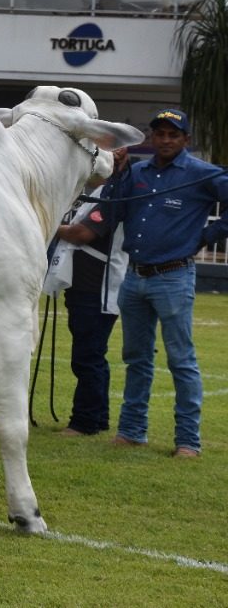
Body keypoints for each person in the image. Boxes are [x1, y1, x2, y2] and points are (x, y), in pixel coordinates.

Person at [84, 109, 228, 457]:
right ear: (151, 138)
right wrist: (117, 173)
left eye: (173, 135)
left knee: (181, 359)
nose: (165, 140)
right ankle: (132, 431)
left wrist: (207, 235)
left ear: (186, 140)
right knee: (136, 358)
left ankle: (187, 441)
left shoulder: (201, 173)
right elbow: (114, 209)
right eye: (159, 134)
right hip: (134, 277)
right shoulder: (137, 172)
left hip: (174, 277)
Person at [53, 147, 130, 437]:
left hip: (98, 287)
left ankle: (83, 421)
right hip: (82, 285)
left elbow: (81, 233)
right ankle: (97, 418)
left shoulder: (112, 195)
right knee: (90, 354)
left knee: (88, 356)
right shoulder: (90, 194)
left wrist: (46, 223)